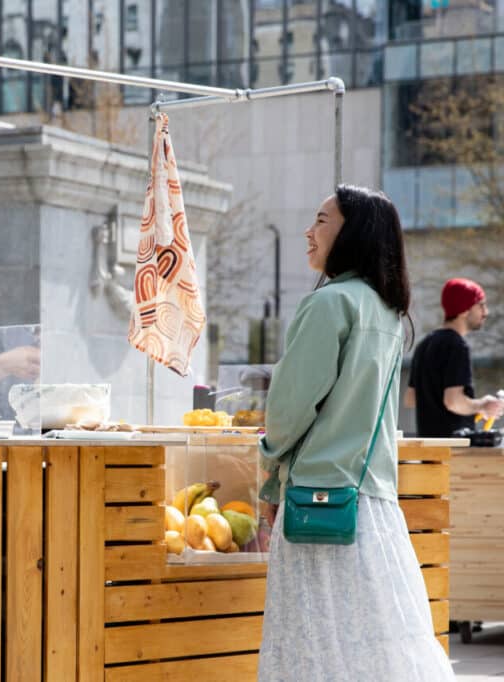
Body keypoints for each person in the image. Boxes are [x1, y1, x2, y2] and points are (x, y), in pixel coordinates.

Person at [256, 185, 453, 680]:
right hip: (375, 505)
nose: (308, 230)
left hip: (317, 505)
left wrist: (267, 459)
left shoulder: (329, 304)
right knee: (373, 640)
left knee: (311, 641)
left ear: (352, 233)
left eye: (322, 220)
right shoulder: (387, 312)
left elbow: (289, 407)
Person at [406, 278, 503, 436]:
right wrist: (482, 405)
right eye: (481, 305)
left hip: (428, 449)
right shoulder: (457, 346)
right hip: (453, 450)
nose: (486, 312)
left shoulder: (424, 344)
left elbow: (411, 398)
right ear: (465, 309)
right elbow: (453, 401)